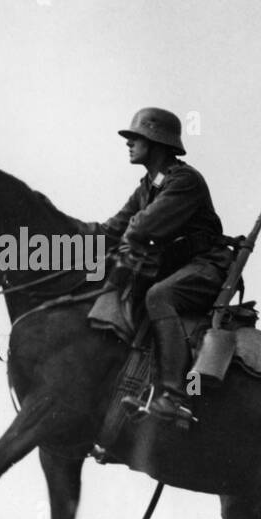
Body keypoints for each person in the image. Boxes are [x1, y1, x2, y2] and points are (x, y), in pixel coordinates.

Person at [97, 107, 232, 427]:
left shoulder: (184, 180)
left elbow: (142, 228)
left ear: (156, 142)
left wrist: (119, 244)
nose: (128, 143)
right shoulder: (149, 184)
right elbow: (110, 230)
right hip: (179, 267)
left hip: (207, 267)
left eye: (136, 138)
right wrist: (58, 248)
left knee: (159, 296)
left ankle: (173, 396)